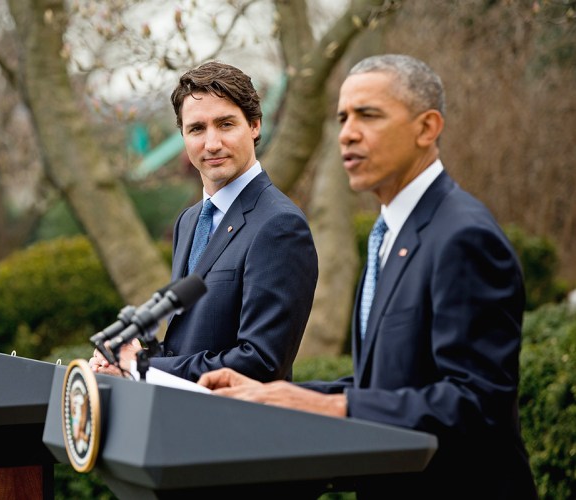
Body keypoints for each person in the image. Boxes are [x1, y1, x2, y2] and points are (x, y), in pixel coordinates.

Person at [198, 54, 538, 498]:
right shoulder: (387, 235)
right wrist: (278, 396)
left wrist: (331, 406)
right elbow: (387, 386)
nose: (347, 133)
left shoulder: (463, 236)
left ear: (427, 128)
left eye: (368, 115)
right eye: (342, 118)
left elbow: (476, 405)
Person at [90, 61, 318, 382]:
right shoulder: (189, 220)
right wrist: (128, 358)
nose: (211, 144)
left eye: (225, 124)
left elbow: (262, 361)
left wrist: (143, 367)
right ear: (183, 134)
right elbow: (187, 344)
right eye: (197, 129)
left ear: (254, 126)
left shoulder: (280, 225)